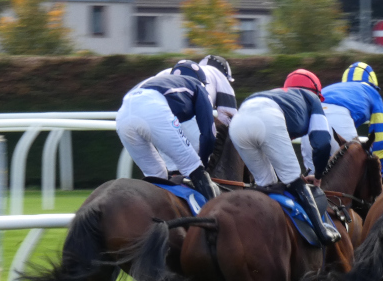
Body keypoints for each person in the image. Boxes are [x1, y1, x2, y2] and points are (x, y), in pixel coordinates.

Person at [228, 68, 341, 245]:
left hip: (238, 122)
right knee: (295, 180)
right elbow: (322, 143)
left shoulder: (280, 96)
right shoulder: (312, 99)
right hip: (267, 118)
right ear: (316, 93)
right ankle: (321, 231)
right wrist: (318, 175)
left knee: (266, 185)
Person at [115, 59, 219, 200]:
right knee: (193, 166)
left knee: (156, 175)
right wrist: (202, 166)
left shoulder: (159, 82)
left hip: (122, 115)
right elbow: (209, 135)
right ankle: (212, 216)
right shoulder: (197, 85)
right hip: (151, 108)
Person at [302, 61, 383, 174]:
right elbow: (381, 140)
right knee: (353, 179)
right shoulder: (372, 92)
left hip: (311, 121)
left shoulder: (332, 88)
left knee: (313, 182)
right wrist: (379, 173)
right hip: (338, 120)